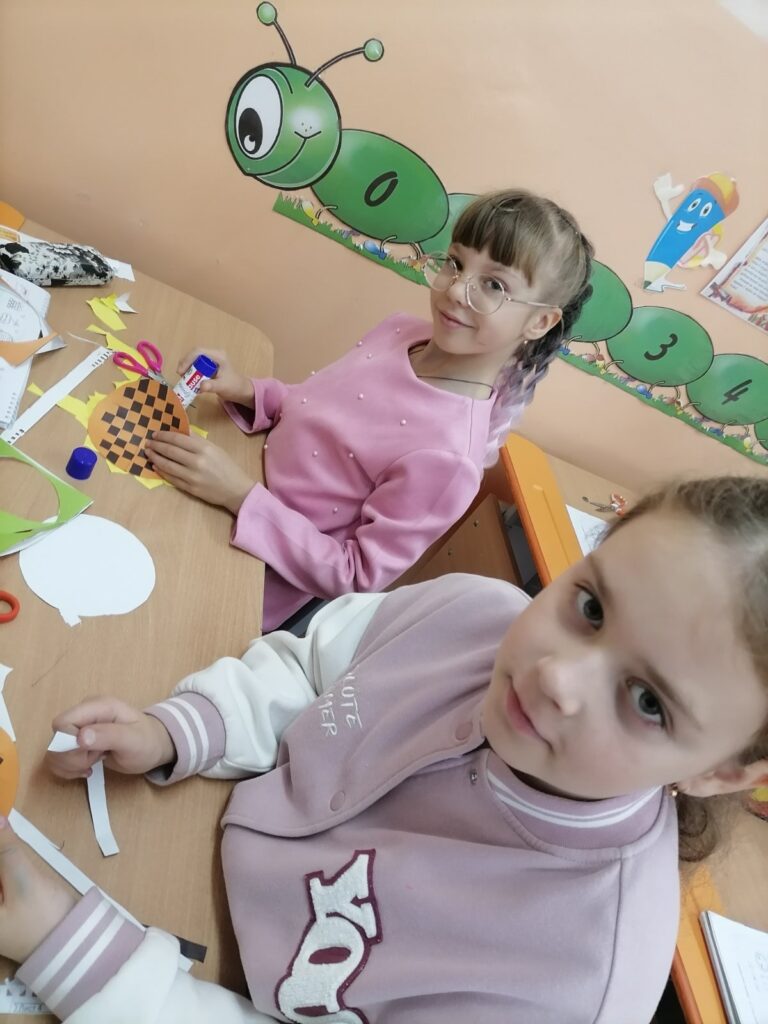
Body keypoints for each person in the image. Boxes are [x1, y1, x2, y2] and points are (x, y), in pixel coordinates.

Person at [2, 475, 768, 1023]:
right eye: (592, 607)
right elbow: (311, 668)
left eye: (647, 701)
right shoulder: (471, 614)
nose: (557, 677)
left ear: (723, 770)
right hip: (175, 847)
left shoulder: (576, 980)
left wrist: (76, 956)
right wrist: (182, 729)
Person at [145, 188, 594, 631]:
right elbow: (314, 409)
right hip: (228, 478)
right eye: (456, 262)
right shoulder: (403, 331)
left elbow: (355, 575)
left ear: (540, 321)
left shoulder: (450, 458)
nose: (457, 289)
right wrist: (247, 390)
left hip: (241, 570)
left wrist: (239, 495)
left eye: (494, 285)